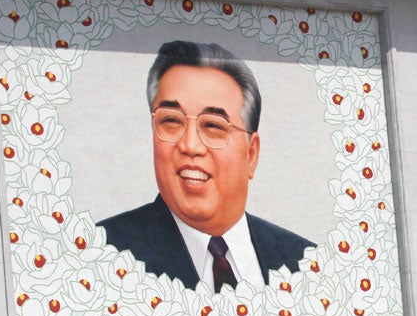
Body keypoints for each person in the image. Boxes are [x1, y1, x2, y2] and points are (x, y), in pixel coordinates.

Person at [98, 40, 313, 291]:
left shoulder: (306, 264)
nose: (190, 146)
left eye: (213, 126)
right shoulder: (101, 253)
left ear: (251, 154)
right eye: (171, 121)